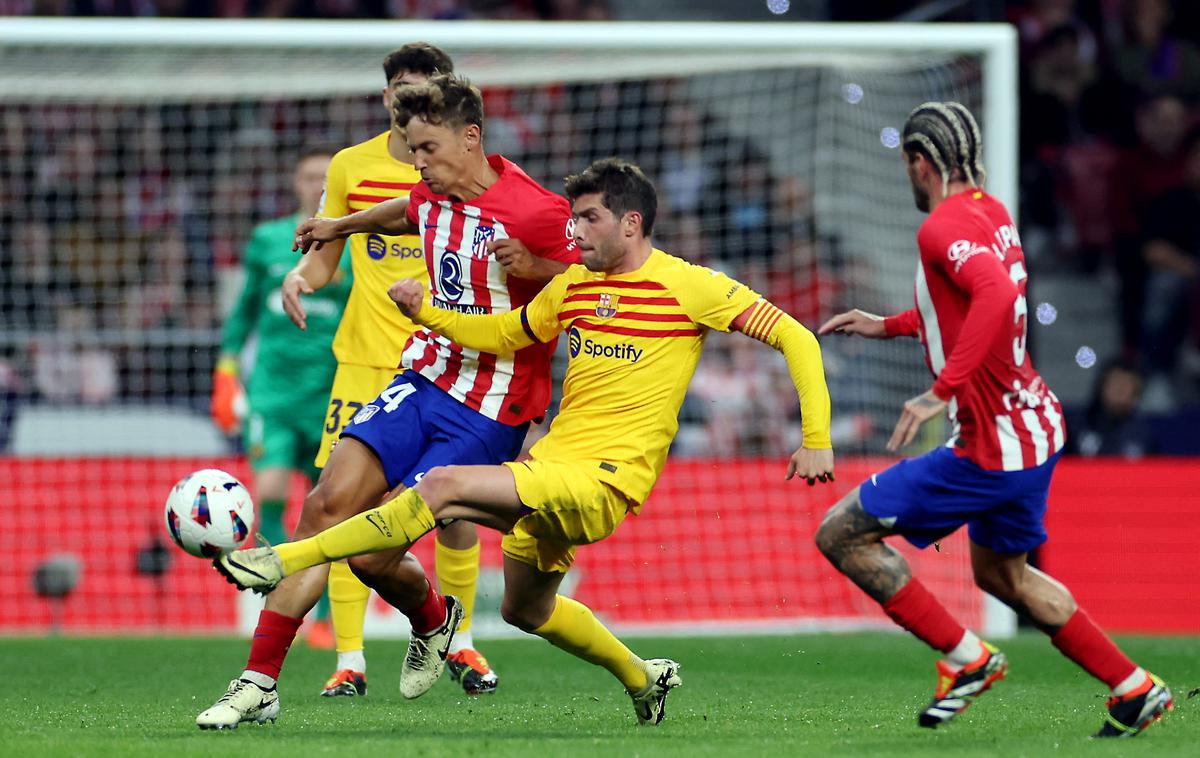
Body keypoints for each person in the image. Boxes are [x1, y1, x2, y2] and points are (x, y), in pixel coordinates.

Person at [215, 157, 837, 725]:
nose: (576, 233)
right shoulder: (573, 287)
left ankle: (286, 558)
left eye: (589, 219)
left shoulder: (692, 286)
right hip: (552, 468)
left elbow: (798, 339)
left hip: (604, 479)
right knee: (525, 610)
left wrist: (815, 438)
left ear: (631, 222)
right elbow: (505, 334)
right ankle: (643, 678)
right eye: (573, 220)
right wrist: (426, 314)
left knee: (442, 488)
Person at [197, 69, 577, 731]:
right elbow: (403, 211)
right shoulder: (428, 194)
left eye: (428, 148)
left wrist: (540, 269)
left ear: (470, 138)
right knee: (324, 509)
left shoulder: (538, 211)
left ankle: (432, 619)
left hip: (489, 409)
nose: (416, 161)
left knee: (373, 551)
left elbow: (607, 282)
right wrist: (336, 224)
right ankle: (260, 683)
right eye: (410, 146)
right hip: (422, 379)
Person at [815, 101, 1173, 738]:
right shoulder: (993, 212)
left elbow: (997, 297)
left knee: (840, 533)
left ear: (920, 163)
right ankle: (1133, 686)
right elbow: (971, 303)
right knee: (1003, 574)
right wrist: (891, 325)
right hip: (1035, 427)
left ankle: (967, 658)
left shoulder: (940, 227)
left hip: (989, 444)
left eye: (906, 163)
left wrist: (939, 390)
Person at [211, 144, 346, 648]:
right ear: (296, 183)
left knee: (326, 509)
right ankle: (273, 593)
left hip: (329, 394)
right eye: (310, 176)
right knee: (268, 490)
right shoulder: (268, 239)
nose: (317, 185)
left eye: (325, 179)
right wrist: (226, 370)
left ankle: (326, 616)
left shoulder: (349, 244)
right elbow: (244, 310)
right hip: (271, 392)